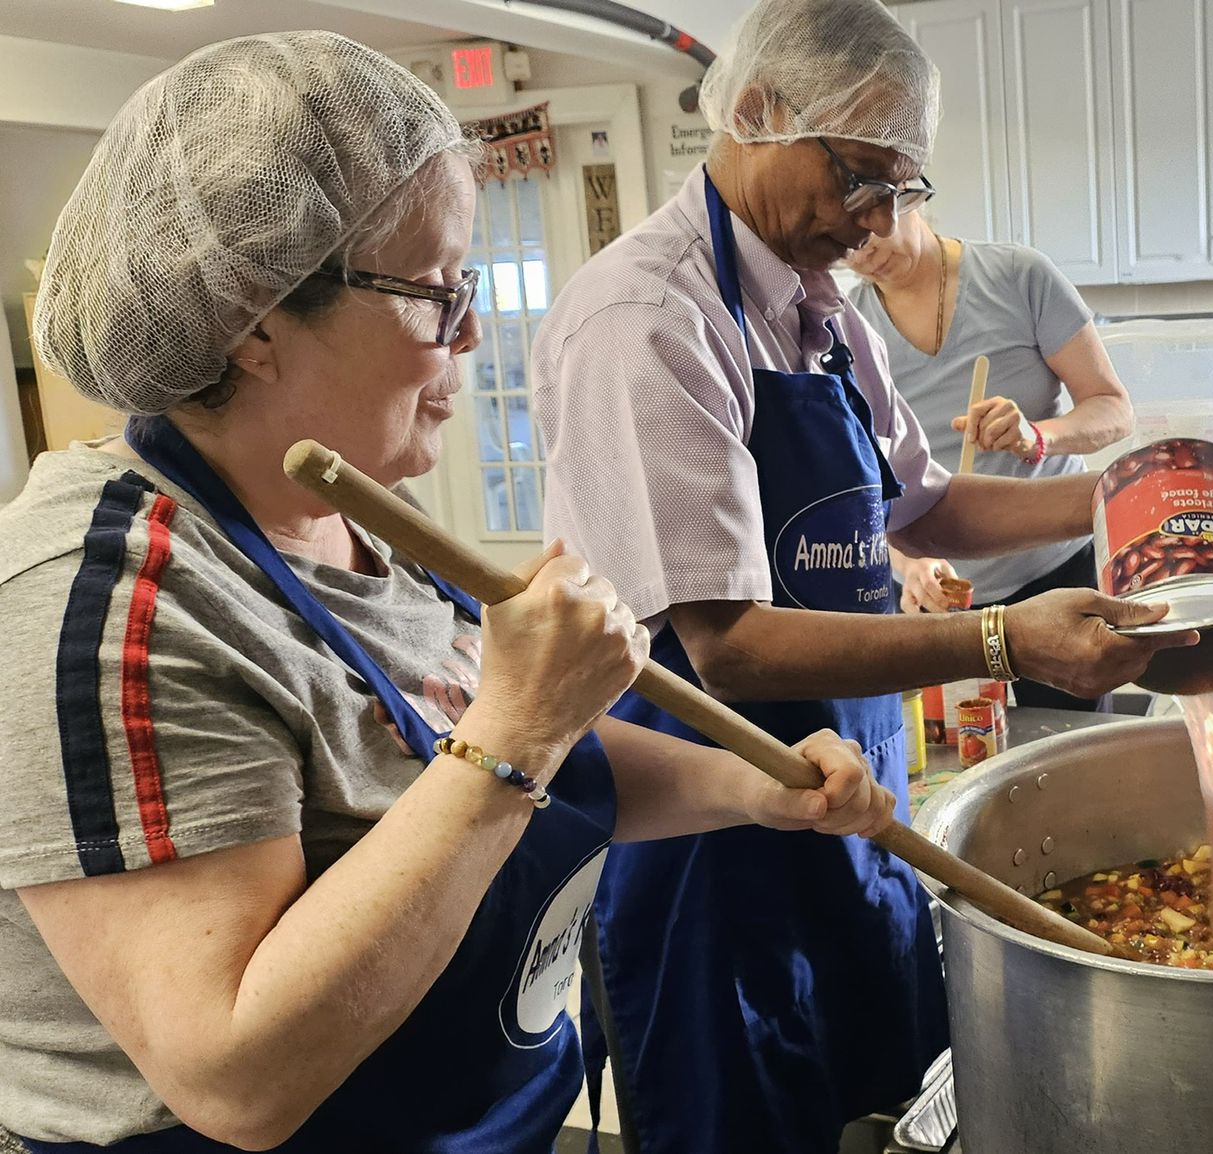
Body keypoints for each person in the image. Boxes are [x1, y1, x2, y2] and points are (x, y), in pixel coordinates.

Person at [0, 33, 897, 1152]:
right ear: (255, 314)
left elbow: (549, 760)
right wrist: (518, 724)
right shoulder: (104, 611)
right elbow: (236, 1076)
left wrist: (756, 788)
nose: (472, 329)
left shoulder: (360, 513)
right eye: (434, 290)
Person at [529, 1, 1194, 1150]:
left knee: (880, 1108)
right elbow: (724, 641)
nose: (878, 222)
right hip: (707, 846)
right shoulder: (649, 320)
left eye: (901, 191)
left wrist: (1127, 502)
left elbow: (924, 504)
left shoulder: (824, 312)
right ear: (753, 114)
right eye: (858, 180)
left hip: (852, 802)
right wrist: (1002, 638)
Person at [846, 209, 1134, 711]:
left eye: (869, 226)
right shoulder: (843, 327)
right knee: (949, 762)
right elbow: (859, 482)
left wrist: (1037, 437)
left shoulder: (1020, 277)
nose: (860, 251)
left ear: (908, 191)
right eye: (841, 240)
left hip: (1051, 572)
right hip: (932, 596)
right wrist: (907, 558)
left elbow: (1113, 409)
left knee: (1070, 749)